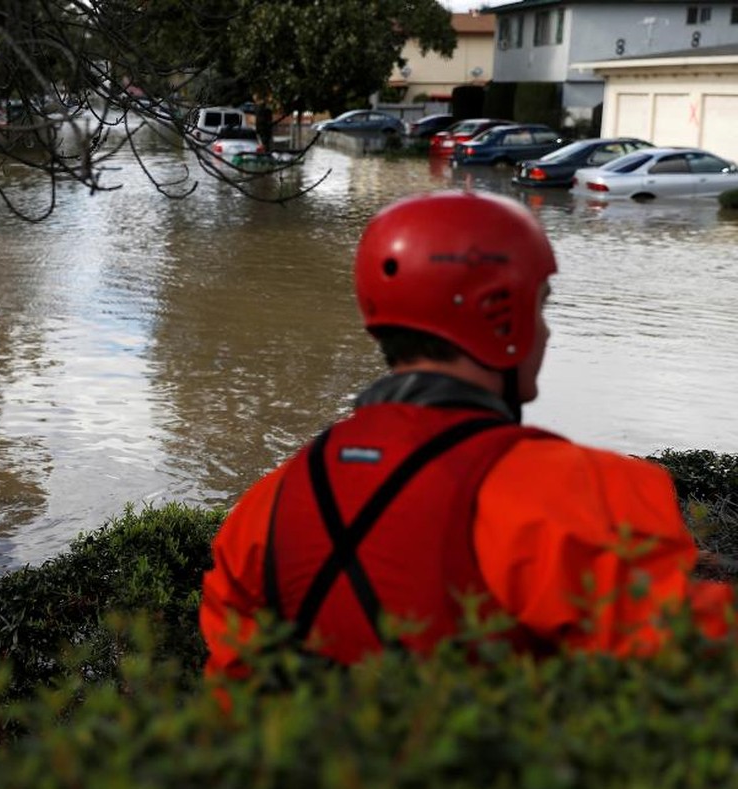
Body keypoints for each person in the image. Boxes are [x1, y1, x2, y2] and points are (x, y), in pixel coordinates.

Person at [200, 190, 732, 681]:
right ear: (501, 316)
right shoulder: (584, 494)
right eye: (540, 306)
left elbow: (233, 703)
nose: (545, 330)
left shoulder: (265, 507)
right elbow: (696, 677)